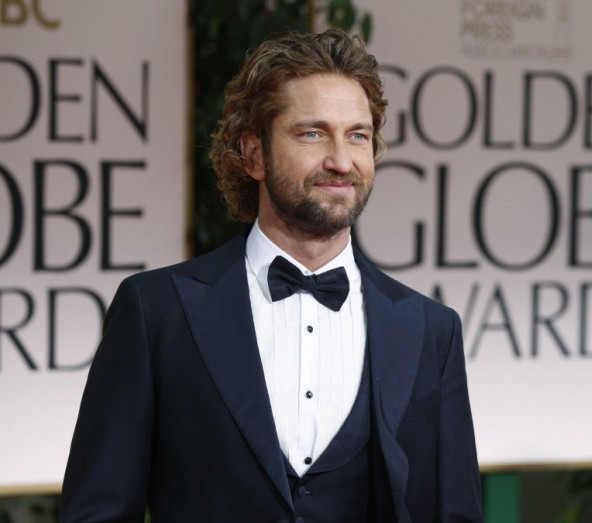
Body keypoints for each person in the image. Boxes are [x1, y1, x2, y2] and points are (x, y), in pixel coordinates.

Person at [60, 29, 483, 522]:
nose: (341, 161)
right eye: (312, 133)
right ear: (254, 154)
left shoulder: (430, 330)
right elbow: (97, 511)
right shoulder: (157, 311)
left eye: (358, 136)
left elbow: (454, 512)